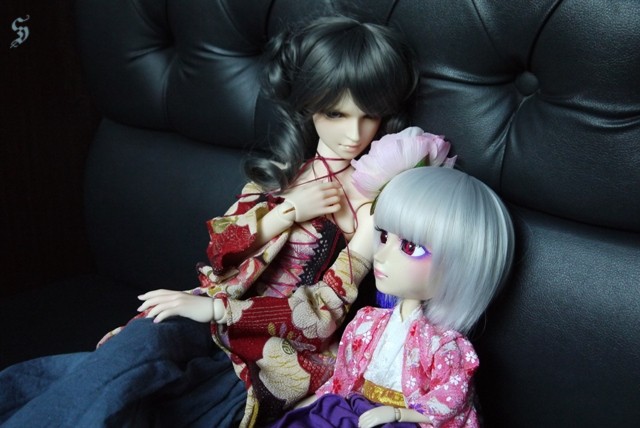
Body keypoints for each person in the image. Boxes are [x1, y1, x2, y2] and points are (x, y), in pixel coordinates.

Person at [0, 16, 418, 428]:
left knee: (158, 403)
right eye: (336, 114)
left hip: (273, 351)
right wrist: (287, 211)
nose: (354, 134)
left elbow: (325, 312)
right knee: (146, 340)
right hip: (206, 316)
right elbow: (220, 251)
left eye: (370, 116)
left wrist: (216, 309)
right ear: (308, 106)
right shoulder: (283, 175)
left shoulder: (370, 204)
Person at [270, 166, 515, 428]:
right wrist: (314, 401)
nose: (381, 255)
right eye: (384, 236)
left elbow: (451, 400)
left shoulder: (443, 346)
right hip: (353, 411)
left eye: (410, 247)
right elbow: (343, 378)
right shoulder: (367, 322)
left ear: (461, 268)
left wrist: (399, 414)